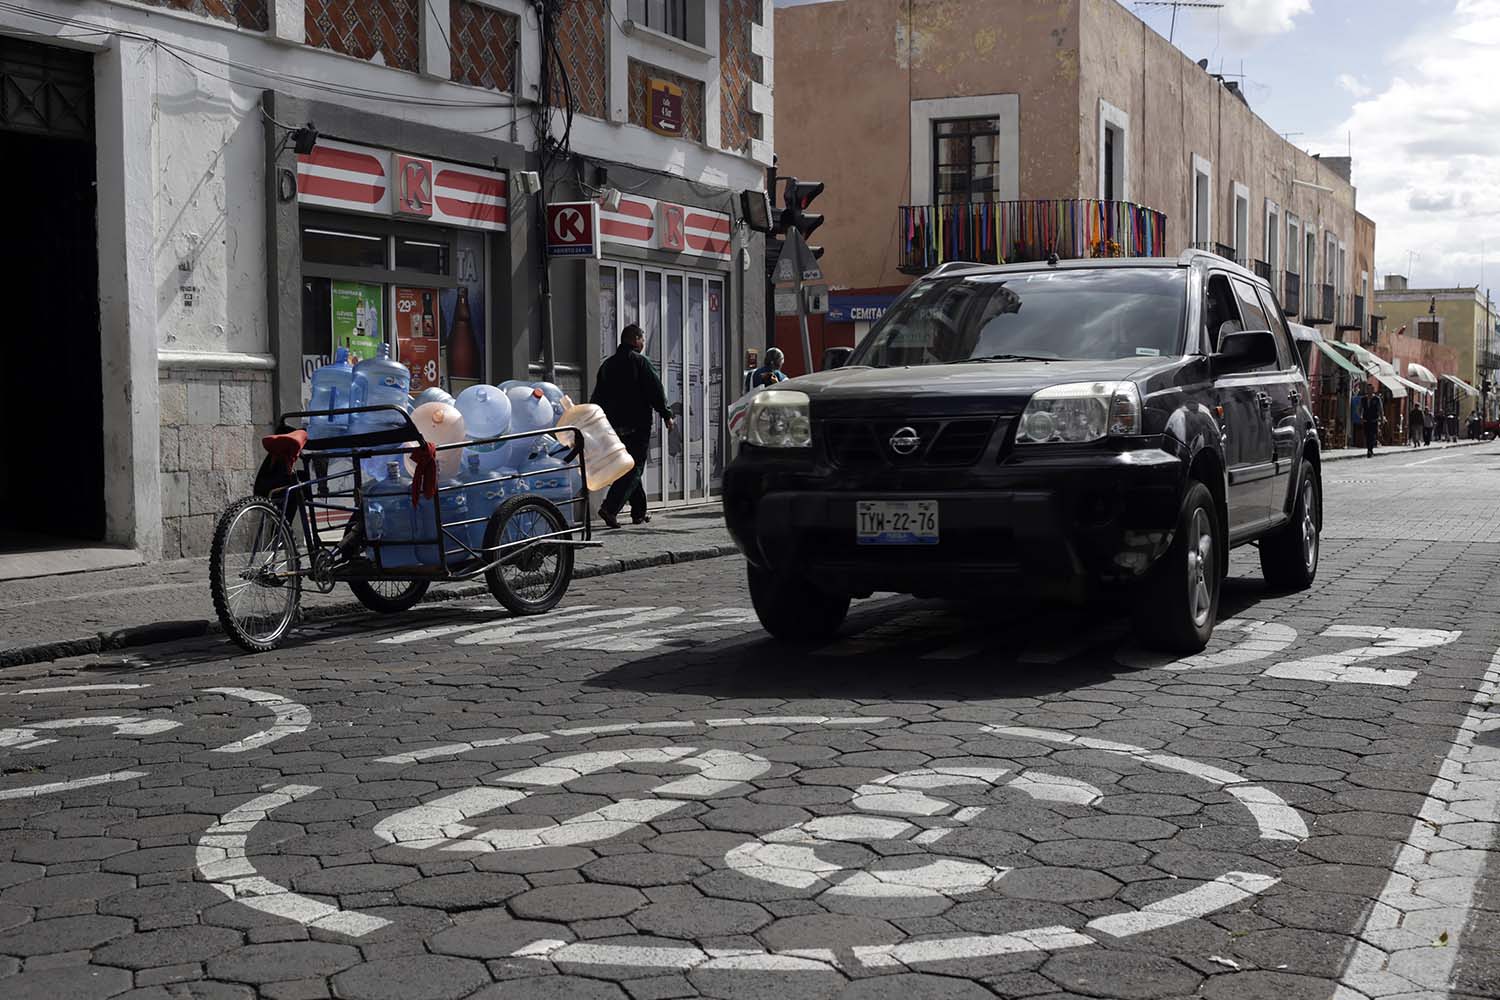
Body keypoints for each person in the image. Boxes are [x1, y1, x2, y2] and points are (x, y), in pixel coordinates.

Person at [590, 324, 675, 530]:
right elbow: (654, 389)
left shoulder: (607, 365)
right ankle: (610, 508)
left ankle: (639, 512)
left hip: (613, 427)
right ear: (636, 339)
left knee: (627, 465)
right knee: (633, 467)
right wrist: (666, 414)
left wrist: (596, 423)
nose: (643, 343)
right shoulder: (640, 361)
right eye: (642, 339)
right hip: (637, 425)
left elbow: (597, 397)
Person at [1360, 383, 1383, 458]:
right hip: (1366, 420)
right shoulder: (1363, 399)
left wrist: (1382, 419)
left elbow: (1380, 410)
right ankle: (1369, 449)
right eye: (1368, 389)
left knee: (1372, 435)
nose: (1369, 391)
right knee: (1367, 435)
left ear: (1373, 390)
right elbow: (1360, 409)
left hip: (1374, 420)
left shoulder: (1376, 399)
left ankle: (1370, 450)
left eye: (1370, 389)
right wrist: (1361, 417)